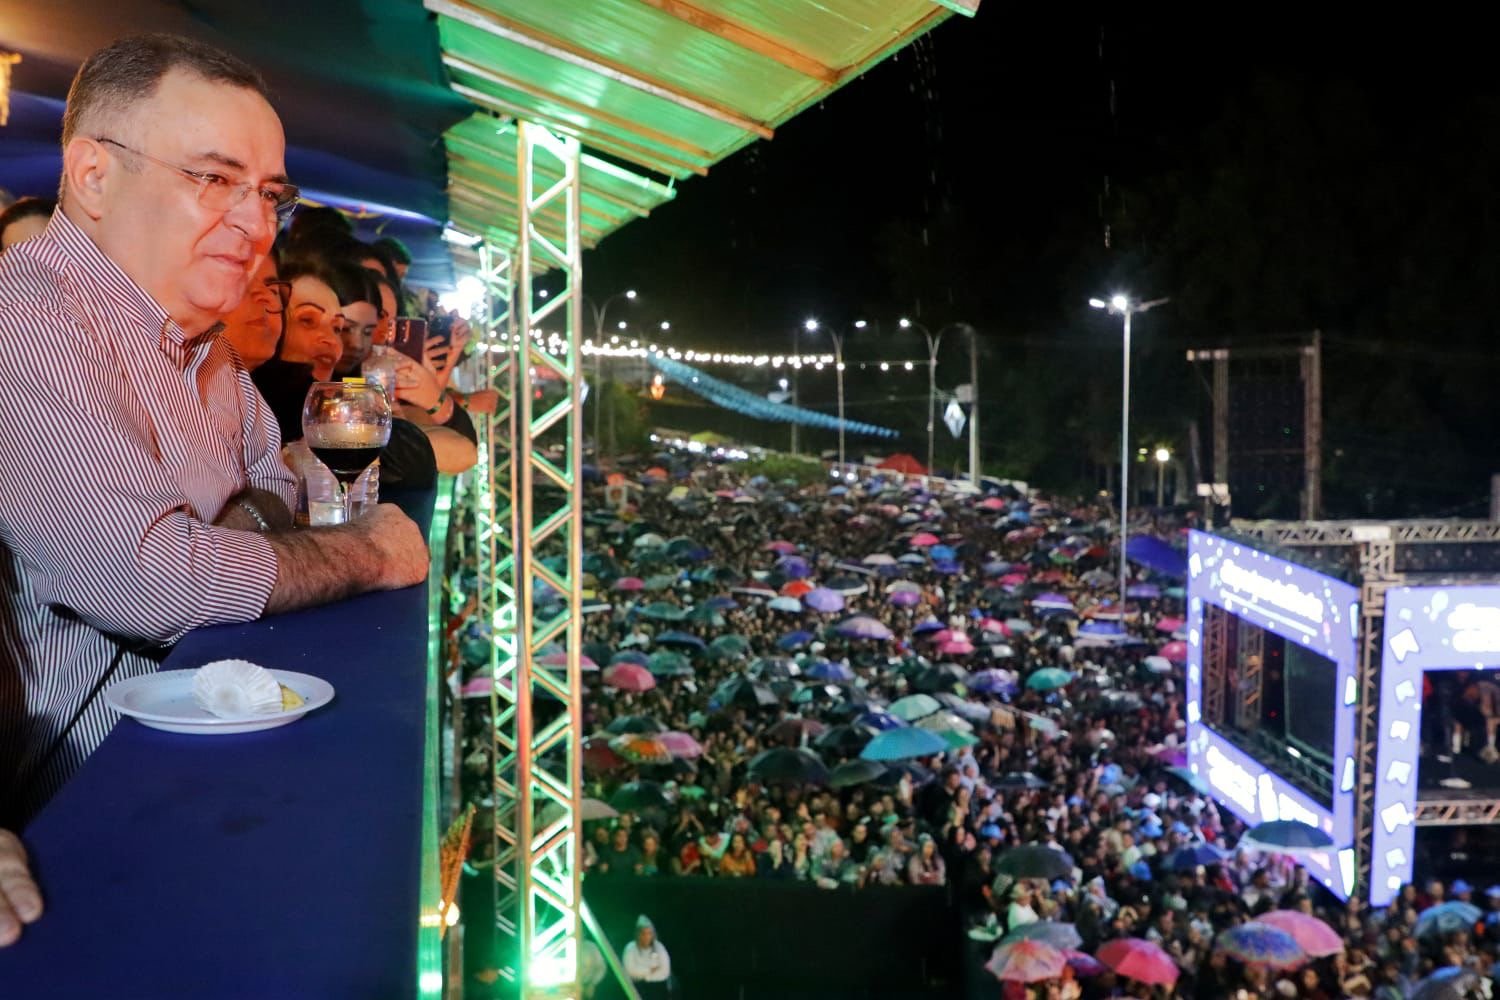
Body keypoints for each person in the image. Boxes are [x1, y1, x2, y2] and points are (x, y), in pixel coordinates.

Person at [0, 33, 428, 831]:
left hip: (180, 774)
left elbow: (273, 496)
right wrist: (367, 553)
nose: (257, 225)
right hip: (71, 821)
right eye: (215, 179)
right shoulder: (28, 318)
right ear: (93, 175)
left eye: (269, 194)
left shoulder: (204, 346)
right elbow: (152, 583)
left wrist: (220, 542)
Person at [622, 914, 672, 999]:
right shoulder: (630, 948)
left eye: (649, 933)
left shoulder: (659, 947)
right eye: (643, 933)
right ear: (638, 934)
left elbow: (665, 971)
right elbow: (631, 971)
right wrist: (650, 970)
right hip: (638, 989)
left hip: (658, 990)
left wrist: (647, 977)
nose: (646, 937)